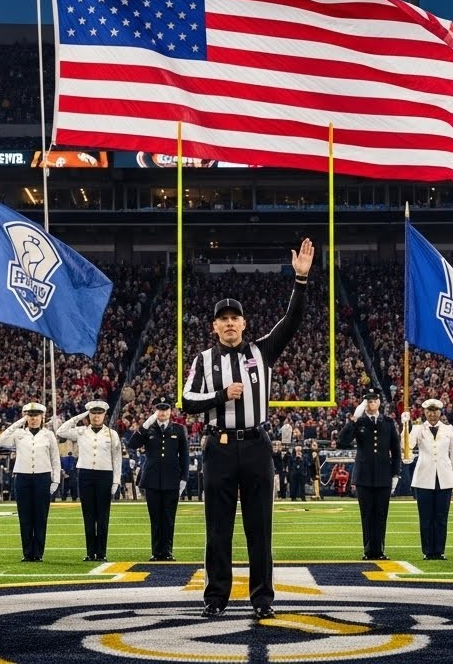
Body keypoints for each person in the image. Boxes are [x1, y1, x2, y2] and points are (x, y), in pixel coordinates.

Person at [180, 238, 312, 621]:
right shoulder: (203, 360)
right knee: (217, 530)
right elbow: (187, 401)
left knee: (260, 529)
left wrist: (300, 281)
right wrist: (222, 395)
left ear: (244, 323)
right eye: (223, 319)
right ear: (215, 327)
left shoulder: (261, 351)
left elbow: (293, 322)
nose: (230, 323)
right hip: (218, 448)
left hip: (256, 446)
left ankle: (262, 599)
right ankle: (215, 597)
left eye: (235, 318)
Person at [336, 388, 401, 560]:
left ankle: (379, 551)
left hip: (383, 476)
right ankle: (368, 551)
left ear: (379, 402)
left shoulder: (388, 422)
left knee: (381, 515)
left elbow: (395, 450)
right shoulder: (359, 422)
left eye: (374, 401)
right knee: (366, 515)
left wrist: (395, 474)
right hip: (364, 476)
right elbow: (342, 442)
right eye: (368, 401)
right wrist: (354, 419)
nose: (371, 404)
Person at [56, 400, 122, 561]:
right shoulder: (81, 431)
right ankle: (90, 552)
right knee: (88, 515)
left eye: (99, 414)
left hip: (105, 475)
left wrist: (116, 481)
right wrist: (80, 416)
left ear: (104, 415)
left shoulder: (112, 434)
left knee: (103, 516)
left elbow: (117, 458)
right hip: (85, 474)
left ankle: (101, 553)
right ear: (89, 415)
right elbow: (61, 431)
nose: (96, 417)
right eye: (93, 413)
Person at [0, 403, 61, 562]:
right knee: (25, 517)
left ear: (42, 417)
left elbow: (55, 458)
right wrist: (19, 422)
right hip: (22, 477)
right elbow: (0, 442)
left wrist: (56, 480)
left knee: (40, 516)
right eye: (30, 416)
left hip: (42, 477)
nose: (33, 419)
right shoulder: (19, 434)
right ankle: (27, 552)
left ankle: (38, 552)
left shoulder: (48, 435)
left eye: (36, 415)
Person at [129, 400, 188, 561]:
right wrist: (145, 425)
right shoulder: (149, 429)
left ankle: (167, 551)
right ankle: (156, 552)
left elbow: (184, 456)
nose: (162, 413)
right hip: (152, 480)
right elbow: (132, 444)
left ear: (170, 411)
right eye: (159, 410)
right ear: (155, 412)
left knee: (169, 518)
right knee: (155, 518)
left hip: (171, 479)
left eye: (166, 409)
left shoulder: (178, 429)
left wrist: (184, 478)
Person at [409, 398, 453, 560]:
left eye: (435, 411)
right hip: (424, 478)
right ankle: (428, 551)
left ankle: (439, 550)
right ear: (424, 412)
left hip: (444, 478)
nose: (432, 414)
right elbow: (407, 446)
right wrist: (406, 427)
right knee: (425, 517)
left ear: (440, 412)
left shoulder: (448, 429)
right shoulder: (418, 428)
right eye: (429, 411)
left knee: (441, 517)